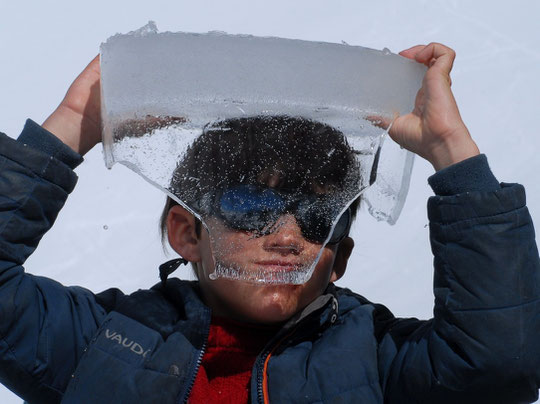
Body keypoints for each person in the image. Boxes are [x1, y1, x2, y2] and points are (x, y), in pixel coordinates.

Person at [0, 42, 538, 403]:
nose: (286, 238)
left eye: (316, 217)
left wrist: (450, 150)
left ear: (339, 260)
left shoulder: (377, 360)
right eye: (250, 208)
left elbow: (499, 362)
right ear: (187, 233)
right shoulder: (104, 340)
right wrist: (73, 126)